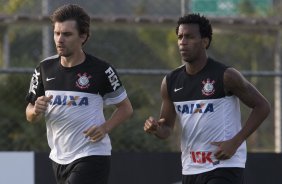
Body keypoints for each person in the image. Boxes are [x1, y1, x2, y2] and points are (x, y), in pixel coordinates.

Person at [144, 13, 270, 184]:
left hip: (224, 165)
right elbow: (166, 128)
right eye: (180, 37)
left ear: (205, 41)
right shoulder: (170, 81)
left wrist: (236, 142)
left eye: (189, 37)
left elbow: (262, 106)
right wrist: (156, 128)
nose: (183, 41)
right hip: (191, 167)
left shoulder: (226, 76)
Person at [25, 4, 133, 184]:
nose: (60, 39)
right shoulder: (44, 69)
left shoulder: (101, 70)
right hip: (59, 158)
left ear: (83, 37)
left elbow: (126, 108)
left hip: (92, 155)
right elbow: (29, 113)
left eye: (67, 34)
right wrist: (35, 110)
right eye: (57, 33)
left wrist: (105, 128)